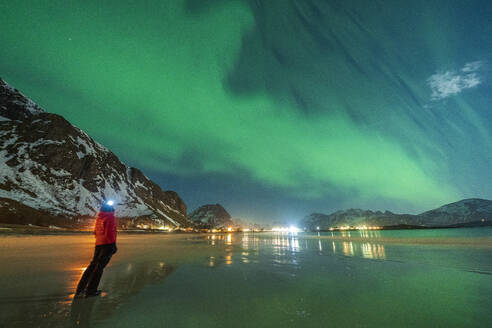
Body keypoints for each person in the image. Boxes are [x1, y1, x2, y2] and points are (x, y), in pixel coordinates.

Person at [75, 201, 118, 297]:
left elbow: (95, 232)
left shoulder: (99, 217)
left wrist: (100, 241)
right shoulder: (110, 217)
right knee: (99, 268)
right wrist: (113, 245)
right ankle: (91, 290)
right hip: (107, 244)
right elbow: (109, 233)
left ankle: (81, 288)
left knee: (92, 266)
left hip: (99, 244)